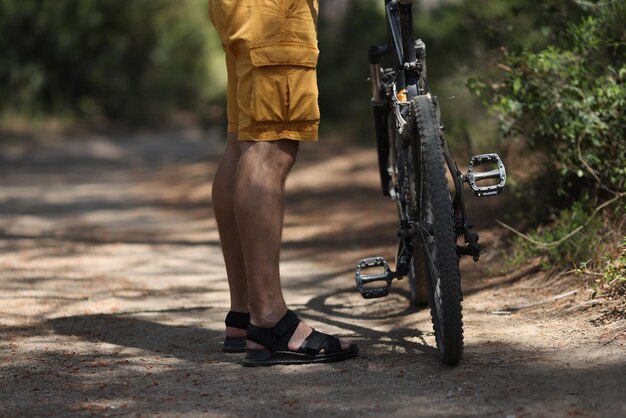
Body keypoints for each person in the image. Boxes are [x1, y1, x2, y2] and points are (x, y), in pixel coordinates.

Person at [208, 0, 359, 366]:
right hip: (272, 10)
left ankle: (243, 316)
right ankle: (270, 321)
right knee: (270, 144)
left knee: (243, 142)